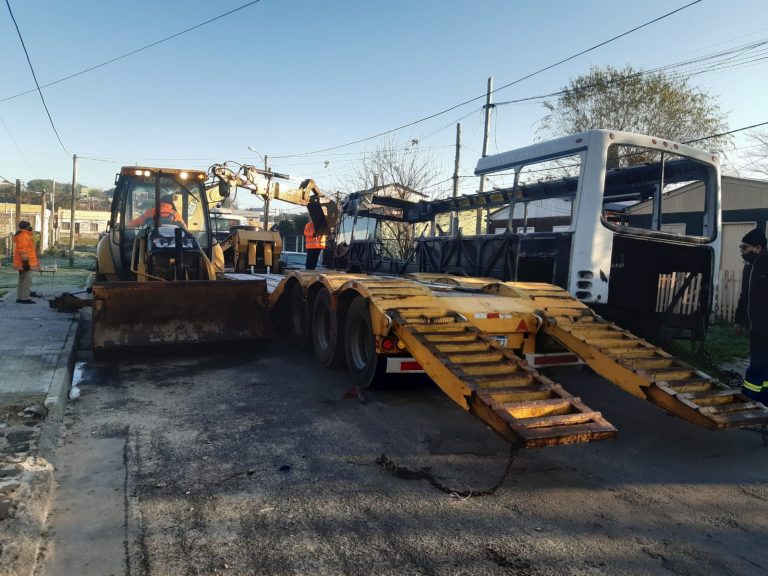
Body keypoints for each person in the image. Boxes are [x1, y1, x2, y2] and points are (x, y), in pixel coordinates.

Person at [734, 227, 768, 402]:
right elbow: (744, 296)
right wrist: (738, 321)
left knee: (757, 365)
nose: (742, 251)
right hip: (754, 327)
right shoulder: (749, 268)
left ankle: (747, 401)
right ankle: (764, 400)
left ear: (758, 248)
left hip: (765, 327)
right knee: (763, 365)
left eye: (744, 247)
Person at [13, 220, 39, 304]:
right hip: (25, 262)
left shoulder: (22, 235)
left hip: (22, 262)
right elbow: (22, 250)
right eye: (29, 226)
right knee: (27, 281)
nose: (30, 228)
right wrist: (25, 262)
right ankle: (25, 298)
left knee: (22, 280)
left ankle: (20, 297)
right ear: (26, 227)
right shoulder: (24, 235)